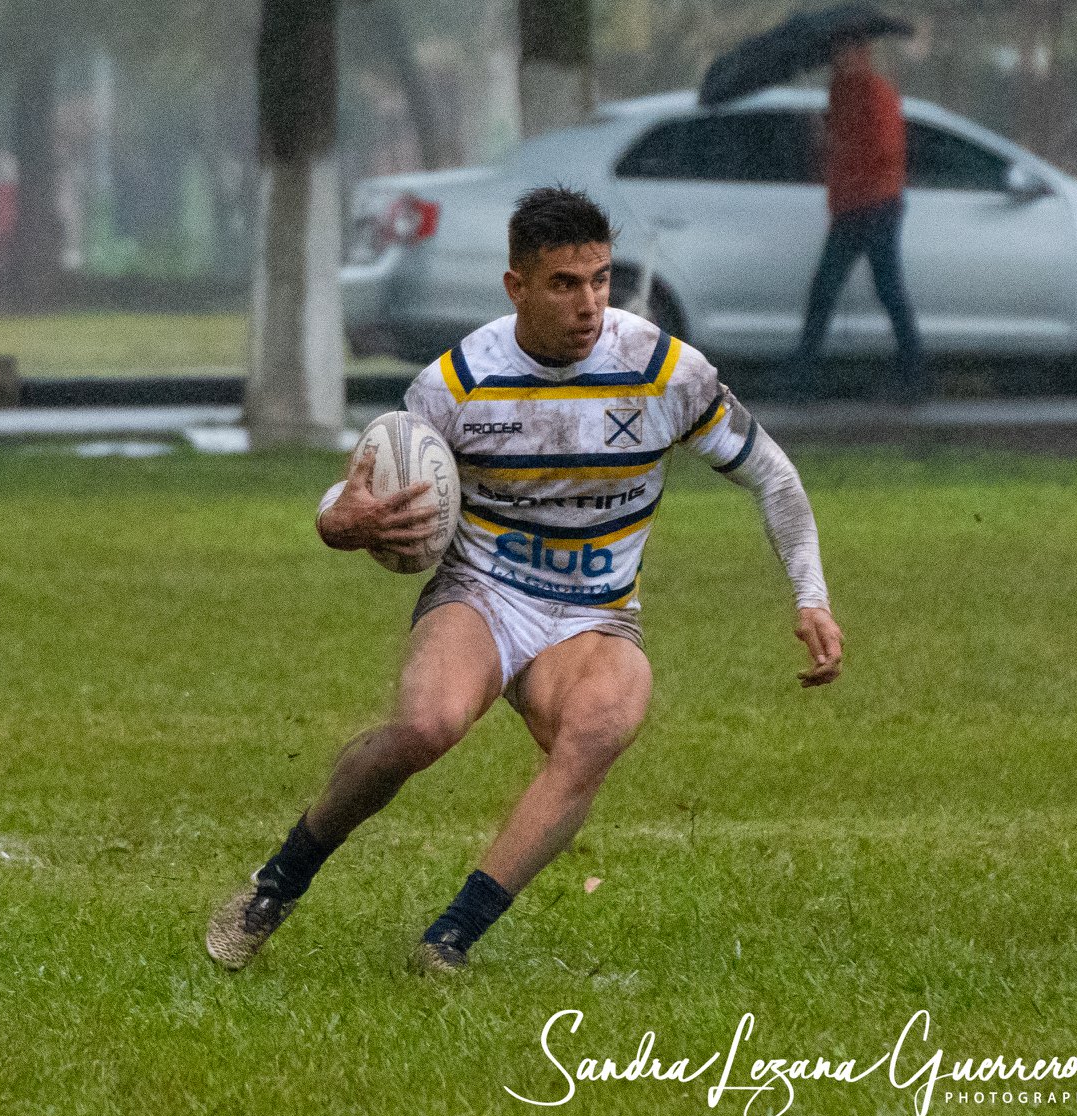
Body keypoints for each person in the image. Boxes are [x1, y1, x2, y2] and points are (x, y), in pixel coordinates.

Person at [207, 187, 845, 975]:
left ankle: (448, 941)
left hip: (595, 614)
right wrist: (342, 522)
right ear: (516, 286)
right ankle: (280, 880)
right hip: (481, 592)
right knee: (424, 729)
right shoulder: (457, 382)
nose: (588, 304)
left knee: (600, 729)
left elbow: (774, 480)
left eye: (601, 280)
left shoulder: (661, 370)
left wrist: (810, 597)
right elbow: (354, 494)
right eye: (563, 285)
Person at [791, 33, 923, 402]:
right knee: (830, 289)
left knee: (881, 289)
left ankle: (914, 374)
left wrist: (841, 147)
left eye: (847, 53)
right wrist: (825, 136)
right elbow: (833, 147)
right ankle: (801, 376)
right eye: (836, 54)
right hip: (850, 204)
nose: (840, 60)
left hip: (876, 203)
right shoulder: (840, 92)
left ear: (861, 53)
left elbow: (886, 151)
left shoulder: (876, 92)